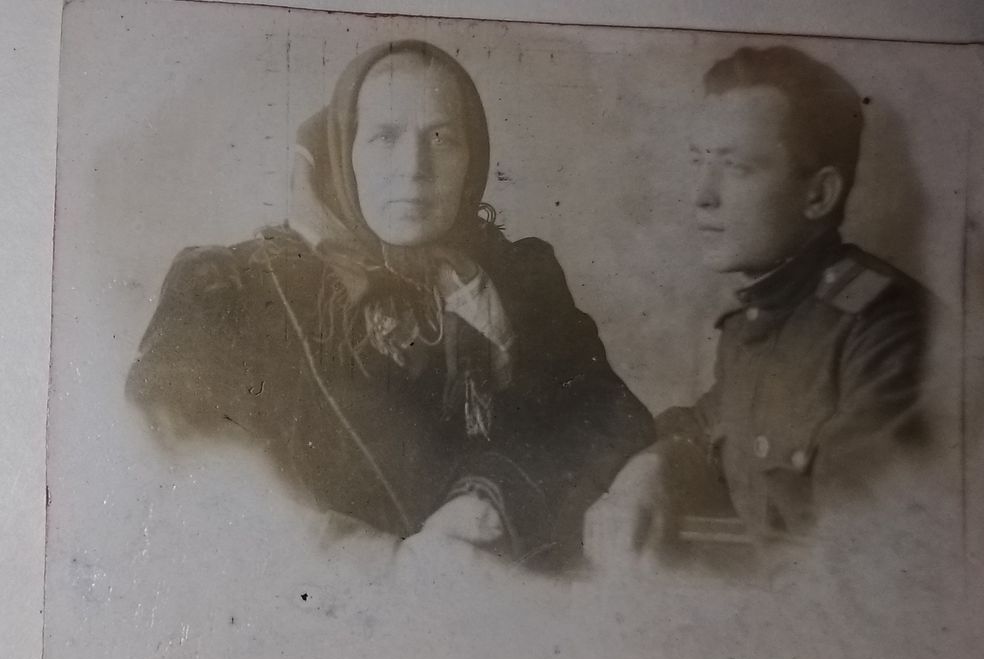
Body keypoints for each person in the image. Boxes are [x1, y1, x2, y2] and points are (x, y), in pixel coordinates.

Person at [127, 40, 654, 570]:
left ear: (473, 158)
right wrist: (378, 562)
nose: (414, 168)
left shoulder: (516, 280)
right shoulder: (232, 288)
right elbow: (183, 460)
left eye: (442, 139)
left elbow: (608, 420)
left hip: (499, 590)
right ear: (343, 152)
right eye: (384, 137)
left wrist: (493, 499)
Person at [584, 45, 940, 573]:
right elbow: (708, 423)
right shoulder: (757, 322)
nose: (702, 195)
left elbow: (862, 564)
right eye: (698, 162)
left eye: (736, 167)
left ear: (818, 195)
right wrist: (652, 465)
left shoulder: (886, 332)